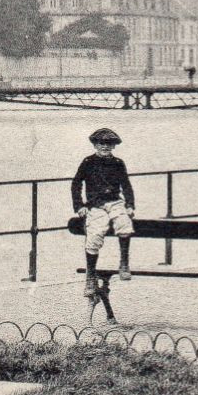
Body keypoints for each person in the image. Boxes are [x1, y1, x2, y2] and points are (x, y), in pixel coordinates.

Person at [72, 127, 136, 298]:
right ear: (95, 145)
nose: (105, 147)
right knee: (94, 235)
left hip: (115, 202)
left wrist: (130, 205)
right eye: (101, 143)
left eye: (109, 144)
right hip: (96, 205)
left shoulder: (118, 163)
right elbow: (76, 184)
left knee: (124, 224)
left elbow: (126, 185)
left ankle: (124, 263)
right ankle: (90, 276)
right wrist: (79, 206)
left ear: (113, 146)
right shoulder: (88, 162)